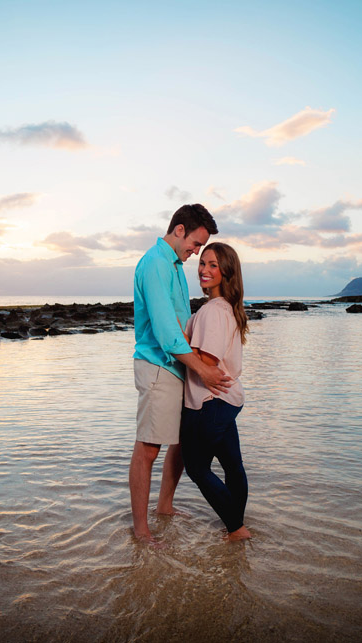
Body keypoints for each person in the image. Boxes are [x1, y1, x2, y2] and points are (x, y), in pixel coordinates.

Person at [130, 204, 231, 545]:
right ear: (179, 230)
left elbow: (181, 324)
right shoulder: (156, 264)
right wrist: (203, 370)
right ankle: (141, 531)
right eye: (195, 244)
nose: (196, 252)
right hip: (158, 366)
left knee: (181, 443)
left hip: (176, 368)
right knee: (148, 448)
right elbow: (165, 332)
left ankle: (165, 506)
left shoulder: (172, 265)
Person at [180, 242, 251, 541]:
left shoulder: (211, 311)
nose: (204, 270)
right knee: (233, 467)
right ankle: (236, 525)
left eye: (213, 265)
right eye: (202, 263)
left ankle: (236, 528)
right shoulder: (228, 309)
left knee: (197, 468)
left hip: (209, 401)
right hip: (228, 399)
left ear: (226, 272)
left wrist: (180, 342)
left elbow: (206, 362)